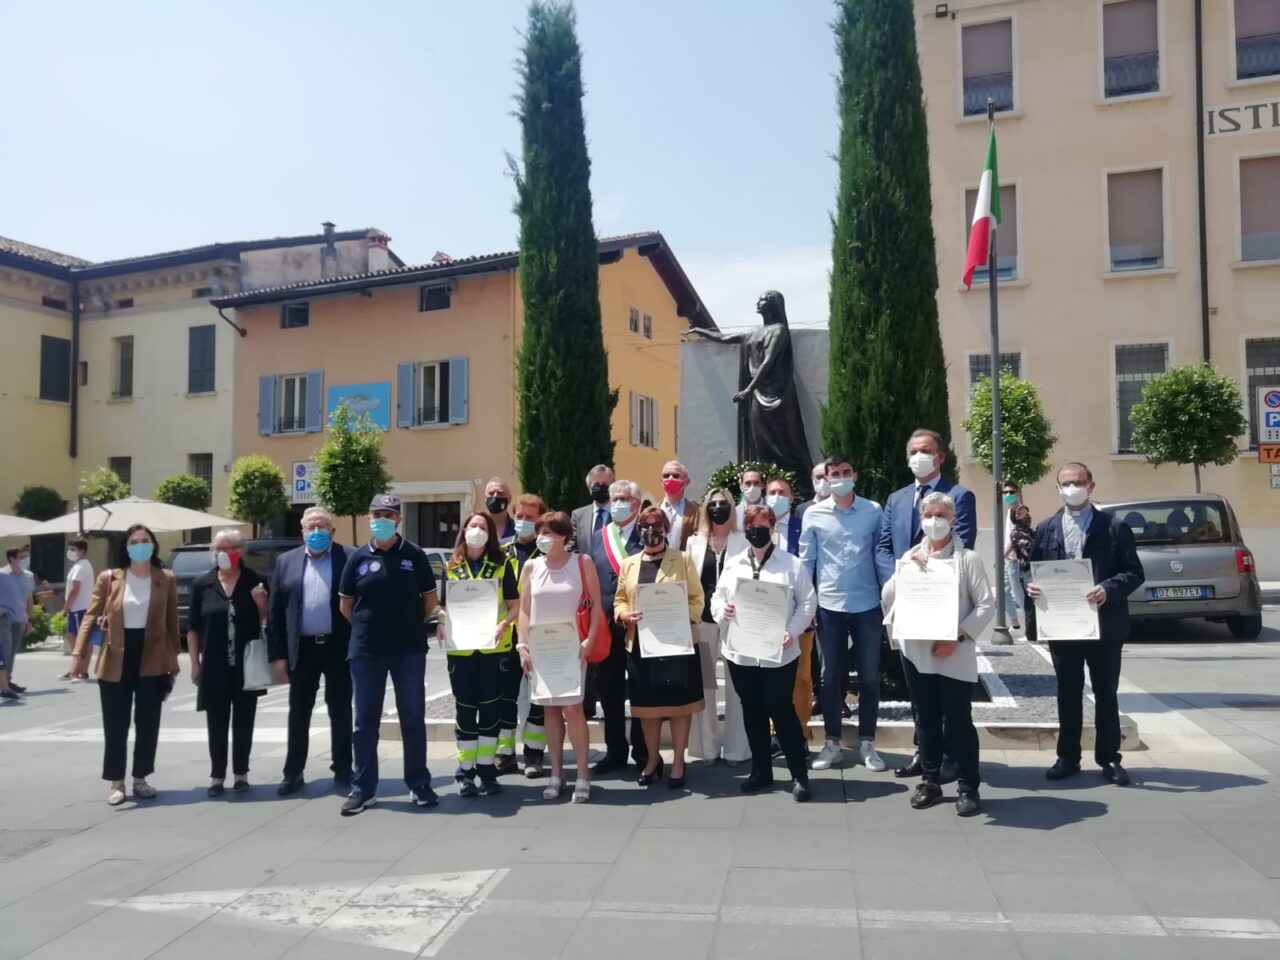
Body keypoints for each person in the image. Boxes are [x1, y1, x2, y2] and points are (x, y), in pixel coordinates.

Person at [1027, 463, 1144, 787]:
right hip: (1063, 626)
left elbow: (1134, 572)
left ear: (1091, 486)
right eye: (1065, 483)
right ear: (1057, 488)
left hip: (1104, 626)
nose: (1072, 488)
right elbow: (1032, 569)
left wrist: (1108, 587)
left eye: (1078, 482)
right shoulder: (1047, 528)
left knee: (1106, 693)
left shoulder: (1113, 527)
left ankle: (1109, 758)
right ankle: (1067, 756)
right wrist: (1030, 585)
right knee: (1067, 692)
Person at [881, 492, 994, 817]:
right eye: (928, 515)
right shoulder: (911, 556)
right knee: (926, 720)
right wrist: (906, 570)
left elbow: (986, 605)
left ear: (952, 520)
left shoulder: (967, 559)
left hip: (953, 654)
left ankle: (968, 786)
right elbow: (888, 596)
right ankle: (930, 781)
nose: (933, 521)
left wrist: (958, 636)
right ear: (921, 520)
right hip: (917, 652)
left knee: (959, 723)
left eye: (940, 515)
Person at [875, 428, 977, 780]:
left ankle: (952, 758)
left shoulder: (959, 496)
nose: (919, 455)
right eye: (913, 450)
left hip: (944, 612)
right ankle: (926, 754)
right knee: (919, 691)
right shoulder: (897, 498)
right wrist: (903, 576)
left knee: (949, 695)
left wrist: (927, 571)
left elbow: (959, 544)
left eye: (926, 450)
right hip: (910, 610)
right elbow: (884, 547)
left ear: (940, 457)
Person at [338, 493, 439, 815]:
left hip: (408, 650)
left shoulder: (415, 555)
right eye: (376, 513)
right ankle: (363, 788)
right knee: (364, 722)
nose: (381, 519)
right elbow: (346, 605)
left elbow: (429, 600)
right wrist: (369, 627)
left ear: (398, 520)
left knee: (412, 719)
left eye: (388, 514)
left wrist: (409, 624)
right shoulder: (356, 558)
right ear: (370, 517)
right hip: (366, 650)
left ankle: (419, 784)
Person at [713, 505, 818, 802]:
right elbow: (716, 599)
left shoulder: (791, 564)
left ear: (772, 527)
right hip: (741, 652)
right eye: (751, 525)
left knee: (781, 708)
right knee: (752, 708)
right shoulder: (734, 564)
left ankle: (799, 774)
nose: (756, 530)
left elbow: (808, 603)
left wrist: (793, 631)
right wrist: (724, 610)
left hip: (779, 652)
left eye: (762, 525)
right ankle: (761, 770)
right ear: (745, 529)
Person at [76, 524, 179, 805]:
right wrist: (78, 653)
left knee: (148, 722)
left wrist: (174, 662)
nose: (140, 545)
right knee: (115, 722)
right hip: (116, 655)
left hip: (152, 656)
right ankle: (117, 781)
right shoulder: (110, 578)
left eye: (145, 540)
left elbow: (172, 623)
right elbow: (90, 615)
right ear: (126, 547)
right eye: (134, 541)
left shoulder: (165, 578)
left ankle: (141, 778)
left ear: (154, 545)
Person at [799, 454, 886, 772]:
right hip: (829, 607)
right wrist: (806, 604)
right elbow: (807, 561)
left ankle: (867, 743)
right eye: (833, 473)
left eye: (845, 472)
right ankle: (832, 743)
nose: (839, 477)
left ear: (855, 475)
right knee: (829, 677)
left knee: (870, 678)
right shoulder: (814, 514)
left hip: (867, 605)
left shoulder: (872, 511)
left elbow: (882, 555)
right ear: (826, 478)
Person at [614, 507, 705, 788]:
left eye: (656, 525)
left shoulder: (683, 559)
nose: (650, 530)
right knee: (647, 709)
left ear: (666, 529)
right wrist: (623, 615)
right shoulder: (629, 564)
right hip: (641, 645)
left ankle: (679, 761)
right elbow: (619, 599)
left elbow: (697, 600)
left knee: (679, 707)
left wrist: (678, 614)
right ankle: (652, 760)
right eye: (644, 525)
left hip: (676, 643)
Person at [516, 511, 600, 802]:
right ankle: (555, 772)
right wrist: (522, 645)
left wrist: (589, 639)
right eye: (540, 532)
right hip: (541, 649)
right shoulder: (530, 567)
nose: (542, 537)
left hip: (572, 648)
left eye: (548, 532)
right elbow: (524, 610)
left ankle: (582, 775)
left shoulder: (582, 562)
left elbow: (597, 606)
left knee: (574, 710)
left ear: (563, 535)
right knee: (550, 711)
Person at [269, 507, 353, 795]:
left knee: (340, 709)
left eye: (323, 526)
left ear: (332, 530)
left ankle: (343, 768)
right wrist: (277, 655)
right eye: (311, 526)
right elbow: (276, 612)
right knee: (299, 711)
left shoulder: (350, 557)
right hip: (301, 648)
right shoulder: (285, 562)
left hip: (338, 646)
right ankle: (293, 772)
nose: (317, 531)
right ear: (302, 531)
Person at [441, 512, 519, 797]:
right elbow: (443, 608)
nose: (477, 530)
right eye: (473, 525)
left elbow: (515, 604)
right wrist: (440, 624)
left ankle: (487, 771)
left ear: (491, 533)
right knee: (465, 710)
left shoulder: (502, 565)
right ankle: (465, 772)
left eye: (483, 527)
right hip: (461, 650)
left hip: (493, 649)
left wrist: (505, 623)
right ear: (464, 529)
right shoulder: (451, 567)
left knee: (490, 710)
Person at [188, 528, 270, 798]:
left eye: (228, 548)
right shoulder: (203, 584)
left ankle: (241, 774)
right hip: (214, 664)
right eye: (218, 548)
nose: (222, 553)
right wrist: (194, 663)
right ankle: (216, 776)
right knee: (216, 720)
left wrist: (261, 604)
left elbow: (267, 622)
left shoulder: (254, 581)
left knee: (244, 720)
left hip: (247, 664)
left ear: (241, 551)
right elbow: (193, 628)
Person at [685, 488, 749, 766]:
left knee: (738, 689)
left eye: (724, 504)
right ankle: (705, 749)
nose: (718, 508)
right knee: (706, 687)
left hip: (736, 622)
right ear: (705, 509)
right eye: (713, 504)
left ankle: (737, 749)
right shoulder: (694, 543)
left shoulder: (744, 540)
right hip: (704, 624)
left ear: (732, 508)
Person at [589, 479, 645, 775]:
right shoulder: (599, 537)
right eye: (614, 498)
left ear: (636, 503)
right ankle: (615, 751)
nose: (618, 503)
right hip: (605, 625)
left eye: (624, 498)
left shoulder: (647, 532)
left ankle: (642, 751)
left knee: (639, 688)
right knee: (608, 691)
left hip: (637, 624)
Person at [766, 476, 816, 742]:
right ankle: (773, 733)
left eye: (781, 492)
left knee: (801, 677)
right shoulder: (757, 528)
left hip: (798, 615)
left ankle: (799, 730)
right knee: (768, 678)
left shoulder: (803, 527)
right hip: (764, 617)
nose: (776, 496)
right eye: (771, 492)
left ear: (791, 497)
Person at [503, 494, 549, 777]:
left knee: (537, 700)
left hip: (538, 636)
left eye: (530, 518)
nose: (523, 522)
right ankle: (505, 755)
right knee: (505, 697)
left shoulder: (546, 554)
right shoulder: (500, 551)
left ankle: (533, 755)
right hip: (505, 637)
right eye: (519, 516)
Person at [60, 538, 95, 682]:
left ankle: (81, 671)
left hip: (79, 608)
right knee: (73, 638)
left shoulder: (81, 567)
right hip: (78, 609)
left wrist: (66, 608)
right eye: (70, 549)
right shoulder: (78, 566)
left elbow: (75, 589)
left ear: (82, 551)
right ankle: (74, 669)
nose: (70, 552)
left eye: (74, 549)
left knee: (80, 641)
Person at [0, 547, 33, 695]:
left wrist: (29, 619)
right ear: (12, 558)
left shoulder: (28, 575)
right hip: (4, 618)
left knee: (13, 651)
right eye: (22, 557)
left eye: (26, 557)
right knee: (5, 650)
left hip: (20, 618)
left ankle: (7, 681)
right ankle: (4, 685)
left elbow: (29, 598)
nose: (25, 559)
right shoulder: (1, 574)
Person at [570, 464, 615, 555]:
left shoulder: (620, 514)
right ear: (588, 487)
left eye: (605, 484)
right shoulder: (578, 515)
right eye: (597, 484)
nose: (601, 487)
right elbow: (571, 546)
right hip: (584, 567)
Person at [658, 460, 700, 550]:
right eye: (666, 476)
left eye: (675, 476)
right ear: (661, 482)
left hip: (685, 561)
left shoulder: (697, 511)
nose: (670, 478)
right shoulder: (654, 509)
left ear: (686, 482)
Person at [481, 477, 516, 541]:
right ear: (485, 498)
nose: (495, 496)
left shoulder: (517, 530)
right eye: (491, 493)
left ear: (509, 498)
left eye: (500, 493)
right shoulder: (475, 528)